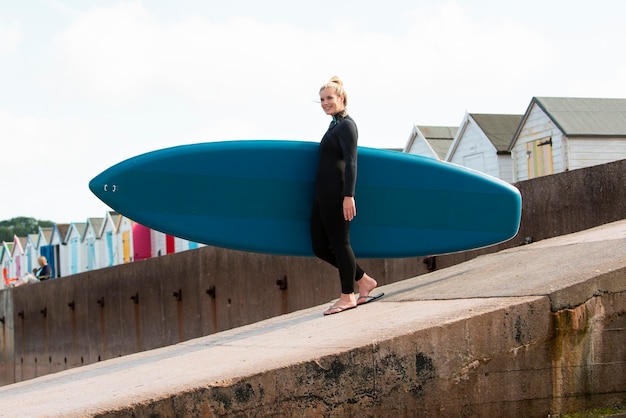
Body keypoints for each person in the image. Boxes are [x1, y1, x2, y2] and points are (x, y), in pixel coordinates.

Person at [310, 76, 384, 315]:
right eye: (321, 99)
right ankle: (364, 281)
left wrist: (348, 195)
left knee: (341, 244)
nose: (324, 103)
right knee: (320, 246)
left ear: (341, 98)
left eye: (329, 98)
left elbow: (351, 161)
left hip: (338, 193)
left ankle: (347, 296)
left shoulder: (347, 125)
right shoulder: (334, 125)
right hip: (324, 194)